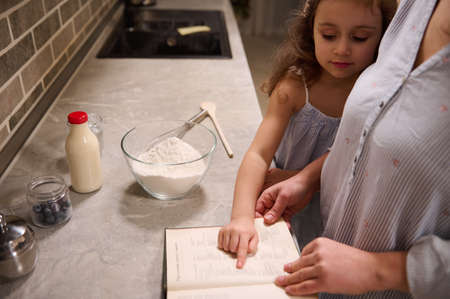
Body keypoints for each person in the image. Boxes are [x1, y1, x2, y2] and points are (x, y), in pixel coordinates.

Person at [255, 0, 450, 298]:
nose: (343, 49)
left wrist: (380, 270)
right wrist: (309, 178)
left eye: (359, 38)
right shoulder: (415, 7)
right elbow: (372, 135)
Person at [218, 0, 397, 269]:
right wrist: (241, 217)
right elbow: (257, 154)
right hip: (287, 205)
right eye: (328, 35)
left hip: (343, 214)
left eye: (360, 37)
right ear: (310, 29)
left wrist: (295, 177)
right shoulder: (294, 86)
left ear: (384, 35)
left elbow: (363, 166)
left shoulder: (382, 94)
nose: (342, 49)